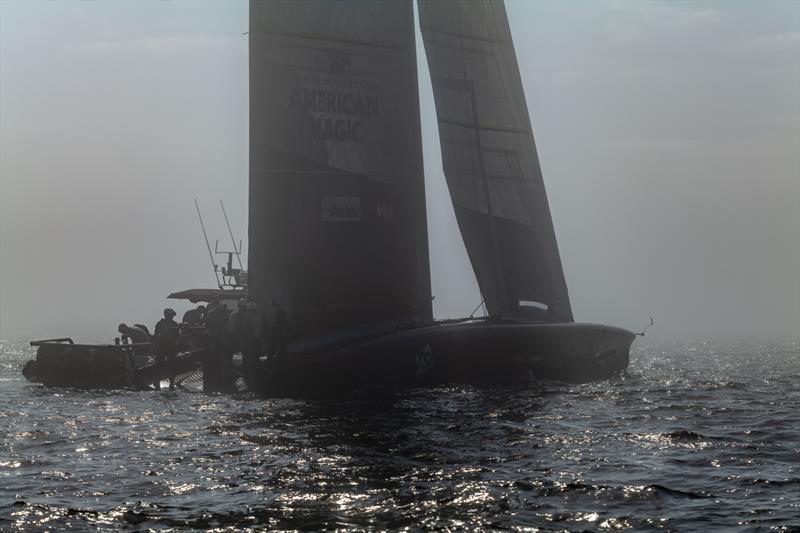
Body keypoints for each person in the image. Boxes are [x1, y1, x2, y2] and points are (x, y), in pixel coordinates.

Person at [153, 308, 180, 391]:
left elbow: (177, 336)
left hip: (171, 347)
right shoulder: (160, 324)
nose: (171, 317)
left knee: (172, 366)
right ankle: (157, 383)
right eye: (170, 315)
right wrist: (157, 345)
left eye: (172, 316)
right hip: (161, 346)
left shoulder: (174, 324)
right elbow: (156, 335)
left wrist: (175, 345)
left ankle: (171, 384)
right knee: (159, 366)